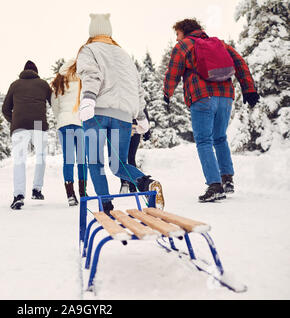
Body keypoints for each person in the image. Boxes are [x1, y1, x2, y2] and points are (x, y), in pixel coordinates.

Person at [70, 13, 165, 212]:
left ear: (92, 31)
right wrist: (140, 116)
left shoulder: (88, 49)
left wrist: (88, 98)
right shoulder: (124, 55)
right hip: (123, 116)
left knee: (95, 163)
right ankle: (146, 183)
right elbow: (136, 87)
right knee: (119, 164)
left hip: (97, 113)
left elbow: (91, 75)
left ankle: (106, 205)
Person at [163, 18, 259, 202]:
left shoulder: (183, 46)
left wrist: (166, 93)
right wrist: (249, 89)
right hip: (225, 96)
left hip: (202, 96)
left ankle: (214, 186)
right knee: (220, 137)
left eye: (177, 34)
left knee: (204, 140)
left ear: (184, 31)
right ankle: (227, 179)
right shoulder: (220, 44)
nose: (176, 39)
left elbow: (173, 71)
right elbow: (240, 64)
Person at [2, 60, 52, 210]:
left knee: (19, 160)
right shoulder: (43, 84)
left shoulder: (15, 84)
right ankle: (37, 190)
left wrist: (15, 120)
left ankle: (18, 195)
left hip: (20, 125)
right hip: (38, 123)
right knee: (41, 157)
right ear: (36, 72)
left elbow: (5, 109)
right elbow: (54, 103)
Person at [50, 59, 88, 206]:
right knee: (81, 159)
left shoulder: (59, 86)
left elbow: (55, 107)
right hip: (79, 123)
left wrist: (61, 118)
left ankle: (70, 194)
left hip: (64, 124)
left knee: (68, 159)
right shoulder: (81, 83)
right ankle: (83, 191)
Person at [120, 112, 151, 194]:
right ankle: (132, 186)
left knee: (122, 158)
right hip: (134, 126)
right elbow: (143, 110)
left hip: (124, 125)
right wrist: (147, 130)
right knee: (131, 157)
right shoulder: (139, 99)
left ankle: (125, 183)